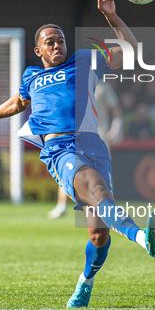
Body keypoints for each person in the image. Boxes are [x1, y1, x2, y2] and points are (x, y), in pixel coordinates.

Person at [0, 0, 155, 309]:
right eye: (50, 41)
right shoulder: (31, 76)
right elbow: (17, 103)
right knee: (97, 190)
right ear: (37, 48)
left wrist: (110, 14)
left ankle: (84, 285)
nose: (58, 45)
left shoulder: (85, 60)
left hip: (92, 144)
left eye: (61, 40)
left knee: (99, 236)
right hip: (59, 148)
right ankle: (143, 239)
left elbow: (130, 51)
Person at [46, 80, 123, 219]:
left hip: (99, 136)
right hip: (77, 136)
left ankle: (109, 206)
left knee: (103, 172)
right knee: (70, 168)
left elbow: (116, 109)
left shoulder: (102, 87)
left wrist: (117, 126)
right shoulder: (72, 85)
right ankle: (61, 205)